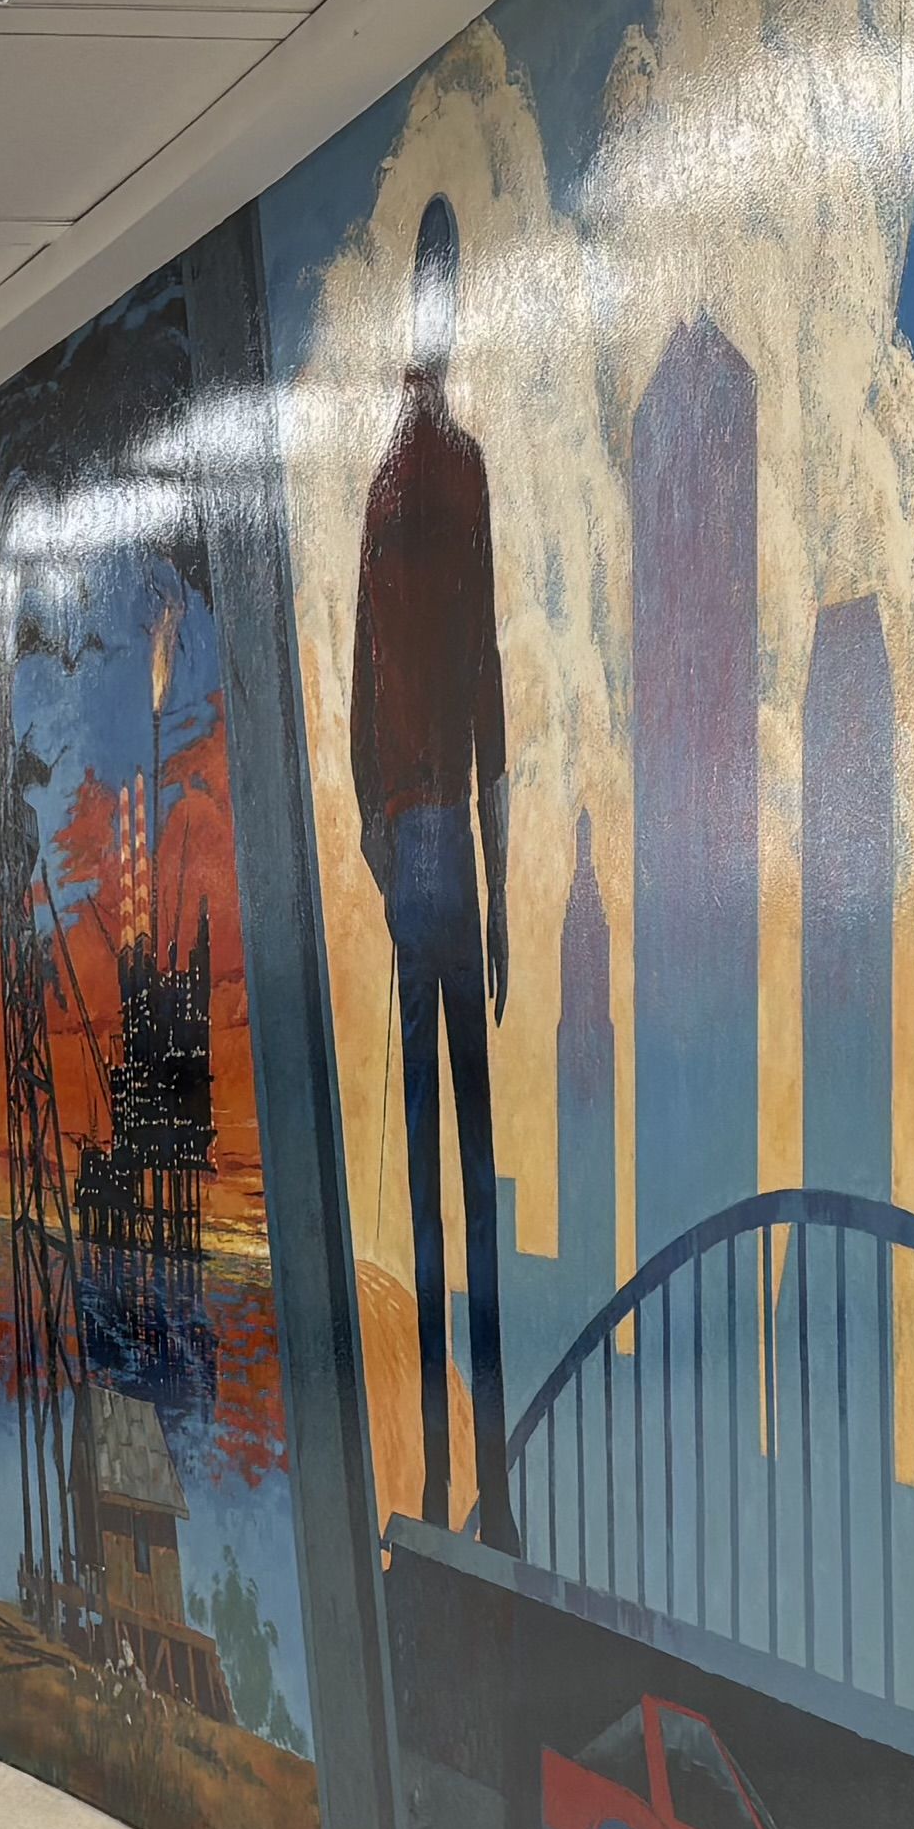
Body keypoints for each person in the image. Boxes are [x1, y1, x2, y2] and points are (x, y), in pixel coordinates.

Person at [351, 195, 516, 1547]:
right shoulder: (456, 471)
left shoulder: (380, 486)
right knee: (473, 1160)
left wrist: (371, 830)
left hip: (412, 842)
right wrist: (500, 890)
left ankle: (438, 1481)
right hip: (452, 834)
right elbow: (493, 683)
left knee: (428, 1184)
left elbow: (359, 696)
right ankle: (492, 1485)